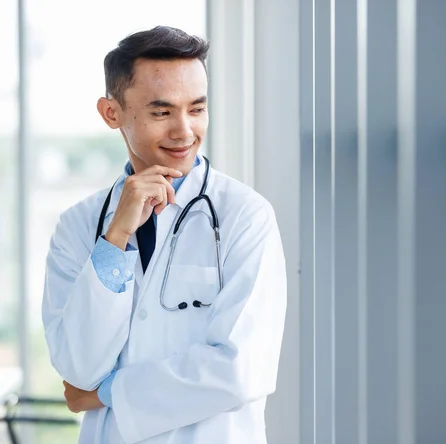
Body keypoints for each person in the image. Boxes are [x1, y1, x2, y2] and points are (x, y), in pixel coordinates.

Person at [41, 25, 287, 444]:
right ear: (111, 113)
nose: (184, 131)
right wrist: (115, 238)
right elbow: (77, 368)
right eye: (161, 112)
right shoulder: (79, 226)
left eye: (196, 109)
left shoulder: (245, 216)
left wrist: (107, 392)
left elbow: (239, 371)